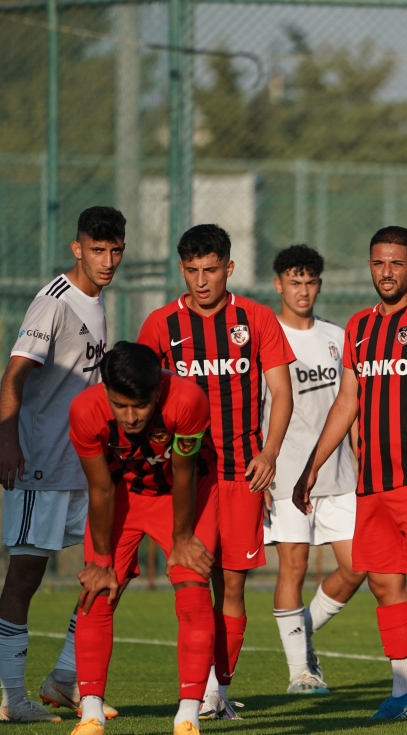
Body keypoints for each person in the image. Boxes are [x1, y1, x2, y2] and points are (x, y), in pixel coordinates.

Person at [294, 226, 407, 723]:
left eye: (396, 263)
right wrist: (312, 466)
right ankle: (405, 694)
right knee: (383, 584)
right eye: (378, 263)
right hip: (373, 483)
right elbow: (348, 401)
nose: (387, 272)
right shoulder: (357, 327)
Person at [137, 224, 295, 719]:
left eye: (210, 270)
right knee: (192, 577)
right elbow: (141, 396)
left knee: (232, 582)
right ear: (181, 269)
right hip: (189, 475)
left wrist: (269, 453)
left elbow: (281, 392)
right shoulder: (161, 324)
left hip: (242, 472)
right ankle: (200, 686)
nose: (201, 281)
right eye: (191, 271)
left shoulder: (257, 317)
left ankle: (218, 690)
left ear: (229, 267)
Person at [0, 206, 125, 722]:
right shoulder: (53, 303)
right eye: (97, 250)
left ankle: (67, 677)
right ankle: (10, 698)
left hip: (85, 463)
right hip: (43, 465)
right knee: (25, 576)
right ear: (78, 249)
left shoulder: (97, 301)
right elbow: (13, 378)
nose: (108, 260)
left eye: (115, 250)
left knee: (109, 567)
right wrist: (7, 443)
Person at [66, 343, 218, 735]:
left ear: (157, 392)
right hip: (121, 495)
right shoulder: (84, 410)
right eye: (120, 406)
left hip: (181, 495)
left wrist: (182, 538)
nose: (130, 417)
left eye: (140, 406)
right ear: (104, 392)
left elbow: (184, 473)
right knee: (97, 592)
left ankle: (188, 715)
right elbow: (99, 489)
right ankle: (91, 714)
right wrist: (101, 560)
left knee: (193, 588)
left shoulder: (187, 400)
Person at [264, 245, 365, 695]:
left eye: (310, 282)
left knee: (358, 564)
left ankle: (301, 631)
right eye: (294, 281)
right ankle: (299, 673)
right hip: (286, 474)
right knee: (293, 567)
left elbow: (353, 403)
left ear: (319, 285)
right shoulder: (266, 336)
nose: (302, 290)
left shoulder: (338, 337)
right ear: (278, 284)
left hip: (338, 471)